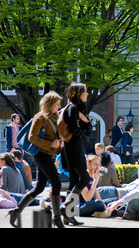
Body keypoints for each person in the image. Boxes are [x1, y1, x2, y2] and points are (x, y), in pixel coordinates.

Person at [7, 91, 65, 228]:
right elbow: (32, 138)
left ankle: (16, 212)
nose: (59, 106)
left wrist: (59, 143)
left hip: (47, 154)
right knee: (56, 183)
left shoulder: (54, 118)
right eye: (57, 104)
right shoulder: (40, 118)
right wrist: (51, 144)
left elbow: (53, 140)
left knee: (39, 187)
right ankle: (57, 219)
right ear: (50, 104)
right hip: (40, 154)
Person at [60, 83, 93, 226]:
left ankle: (68, 216)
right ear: (78, 94)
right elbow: (74, 129)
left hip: (75, 147)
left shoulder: (80, 109)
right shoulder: (73, 108)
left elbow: (89, 130)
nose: (87, 94)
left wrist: (86, 122)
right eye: (85, 92)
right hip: (73, 148)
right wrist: (82, 133)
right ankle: (67, 207)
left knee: (74, 181)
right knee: (85, 178)